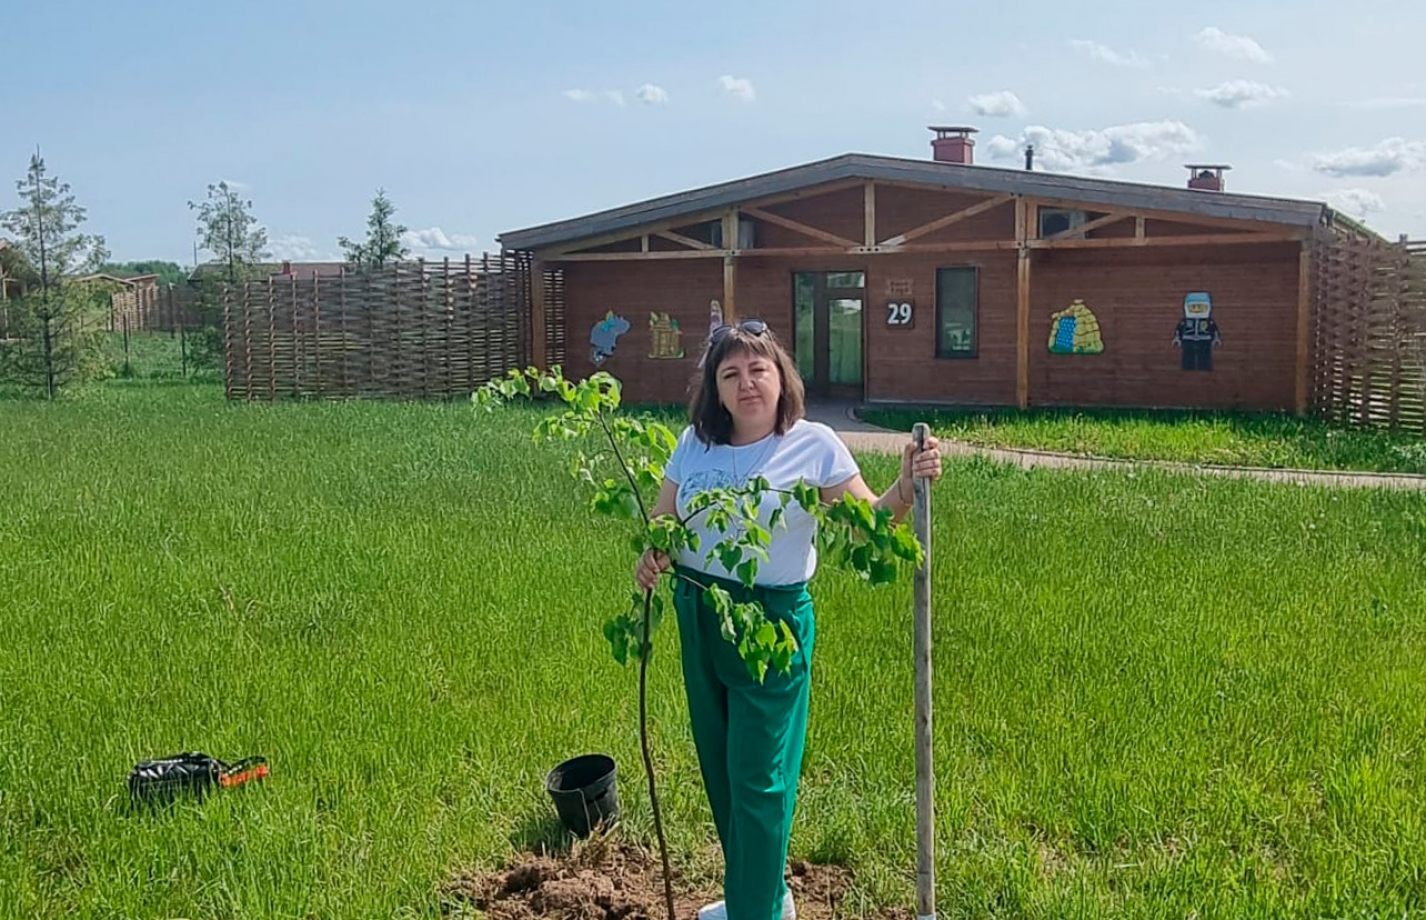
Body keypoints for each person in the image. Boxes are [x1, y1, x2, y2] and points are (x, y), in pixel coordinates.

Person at [634, 319, 943, 920]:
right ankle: (762, 895)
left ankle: (757, 915)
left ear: (780, 377)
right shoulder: (693, 444)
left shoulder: (813, 444)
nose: (746, 383)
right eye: (731, 374)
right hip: (700, 612)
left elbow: (872, 526)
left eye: (758, 369)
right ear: (715, 388)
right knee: (722, 769)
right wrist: (653, 555)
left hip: (769, 627)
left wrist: (904, 485)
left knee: (760, 781)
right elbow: (663, 522)